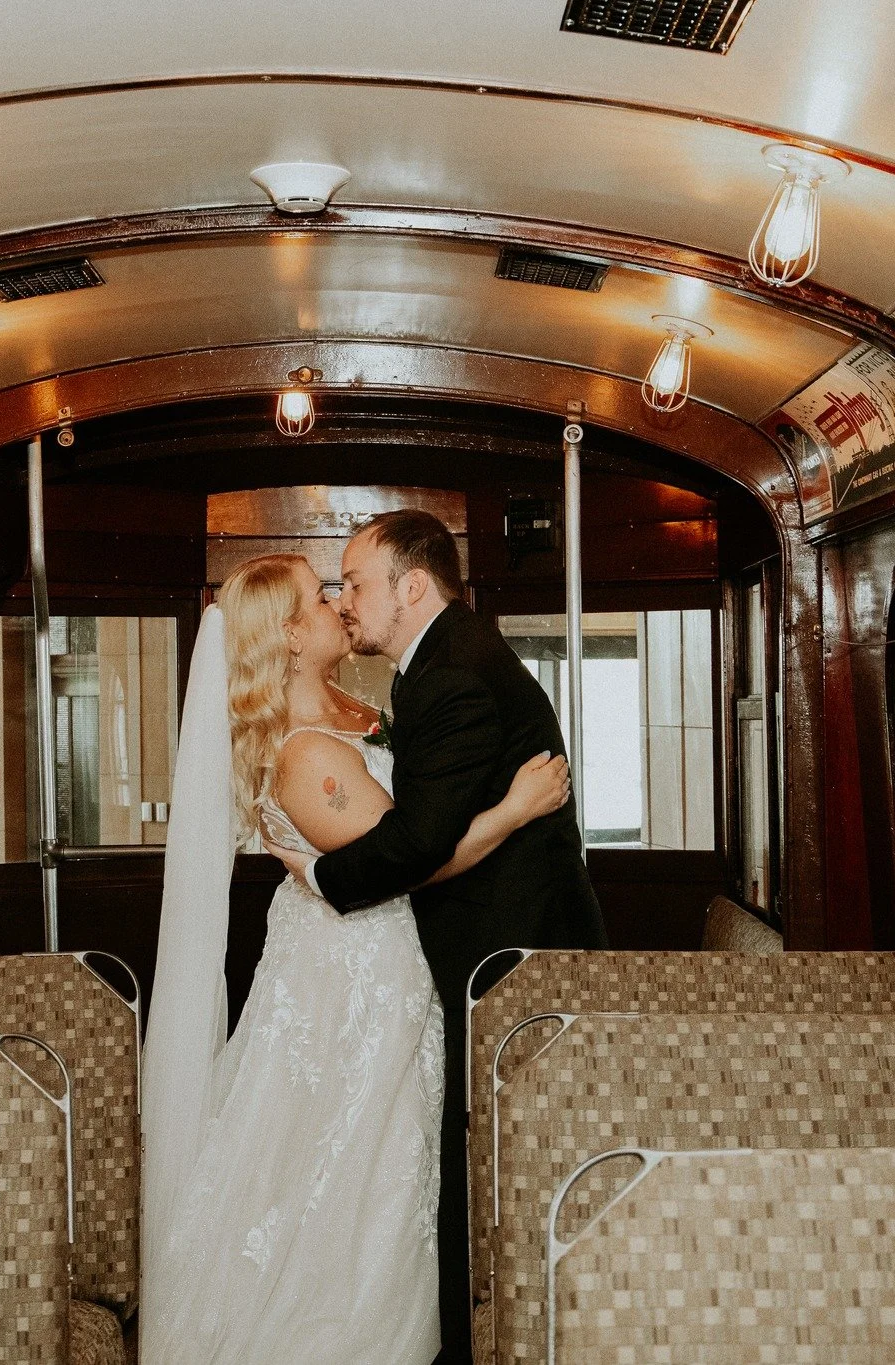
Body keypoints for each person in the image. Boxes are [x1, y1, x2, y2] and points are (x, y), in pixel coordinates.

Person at [140, 553, 570, 1365]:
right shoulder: (302, 756)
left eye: (338, 587)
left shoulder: (361, 707)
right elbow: (412, 858)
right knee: (336, 1159)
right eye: (318, 597)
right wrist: (515, 809)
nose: (337, 602)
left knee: (392, 1164)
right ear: (290, 638)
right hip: (344, 983)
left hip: (391, 962)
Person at [269, 509, 608, 1363]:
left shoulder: (449, 674)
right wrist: (512, 808)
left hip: (512, 958)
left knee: (494, 1153)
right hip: (481, 951)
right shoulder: (435, 666)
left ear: (411, 586)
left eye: (355, 582)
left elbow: (416, 842)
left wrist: (320, 877)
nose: (346, 602)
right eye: (334, 590)